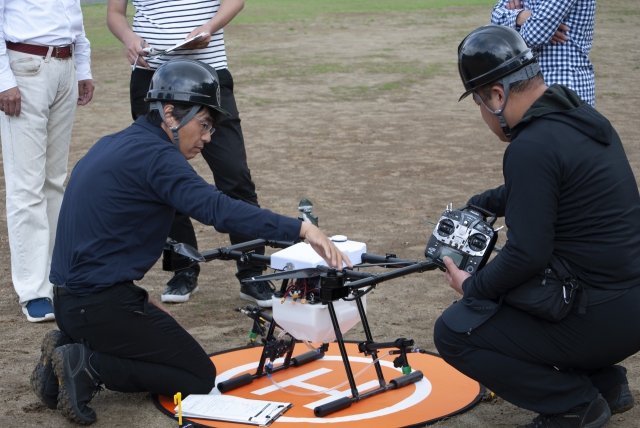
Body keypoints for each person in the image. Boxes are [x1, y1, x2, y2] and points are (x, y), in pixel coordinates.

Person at [30, 59, 351, 425]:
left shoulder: (116, 142)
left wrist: (138, 301)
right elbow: (218, 209)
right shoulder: (159, 158)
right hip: (99, 306)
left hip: (74, 301)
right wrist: (301, 229)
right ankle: (87, 363)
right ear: (170, 113)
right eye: (203, 124)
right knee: (197, 376)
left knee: (158, 345)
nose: (208, 137)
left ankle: (67, 346)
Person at [433, 25, 640, 428]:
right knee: (527, 288)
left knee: (457, 330)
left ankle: (574, 404)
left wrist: (471, 286)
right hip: (627, 305)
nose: (482, 113)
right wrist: (483, 203)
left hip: (601, 316)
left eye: (478, 101)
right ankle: (607, 383)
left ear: (496, 95)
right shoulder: (580, 117)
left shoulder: (530, 147)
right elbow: (548, 190)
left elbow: (527, 253)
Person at [106, 0, 274, 307]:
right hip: (152, 78)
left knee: (235, 175)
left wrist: (209, 27)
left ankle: (252, 273)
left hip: (208, 74)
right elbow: (115, 14)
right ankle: (181, 270)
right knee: (162, 179)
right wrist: (129, 39)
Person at [0, 0, 94, 322]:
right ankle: (33, 291)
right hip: (26, 66)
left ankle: (55, 280)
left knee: (54, 181)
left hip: (64, 67)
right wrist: (3, 80)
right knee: (27, 186)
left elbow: (73, 16)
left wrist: (82, 67)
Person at [491, 0, 596, 107]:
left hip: (564, 86)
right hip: (526, 89)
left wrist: (528, 22)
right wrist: (521, 16)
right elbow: (494, 26)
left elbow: (533, 35)